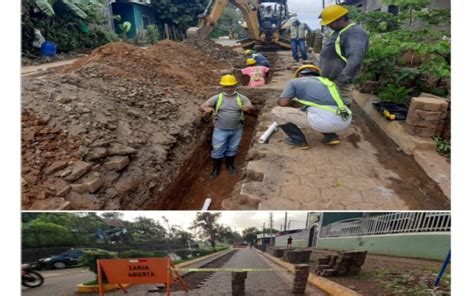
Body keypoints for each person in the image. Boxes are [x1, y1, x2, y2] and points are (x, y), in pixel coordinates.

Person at [271, 65, 352, 147]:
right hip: (345, 120)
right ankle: (331, 136)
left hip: (324, 122)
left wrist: (292, 104)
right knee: (320, 110)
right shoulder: (330, 83)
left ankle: (298, 140)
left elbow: (282, 103)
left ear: (299, 75)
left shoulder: (295, 82)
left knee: (277, 111)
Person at [199, 75, 255, 179]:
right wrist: (207, 109)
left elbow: (251, 107)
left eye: (231, 86)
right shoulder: (218, 98)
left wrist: (248, 108)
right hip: (220, 129)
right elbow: (203, 106)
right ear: (222, 87)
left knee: (233, 147)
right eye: (226, 87)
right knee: (217, 148)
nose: (229, 89)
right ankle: (216, 168)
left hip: (237, 129)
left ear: (235, 86)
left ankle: (230, 165)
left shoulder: (241, 98)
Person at [319, 4, 369, 104]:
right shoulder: (340, 31)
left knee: (340, 111)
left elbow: (355, 58)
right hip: (332, 81)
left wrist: (341, 80)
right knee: (331, 111)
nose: (328, 25)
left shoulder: (355, 33)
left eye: (330, 23)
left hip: (339, 83)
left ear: (341, 19)